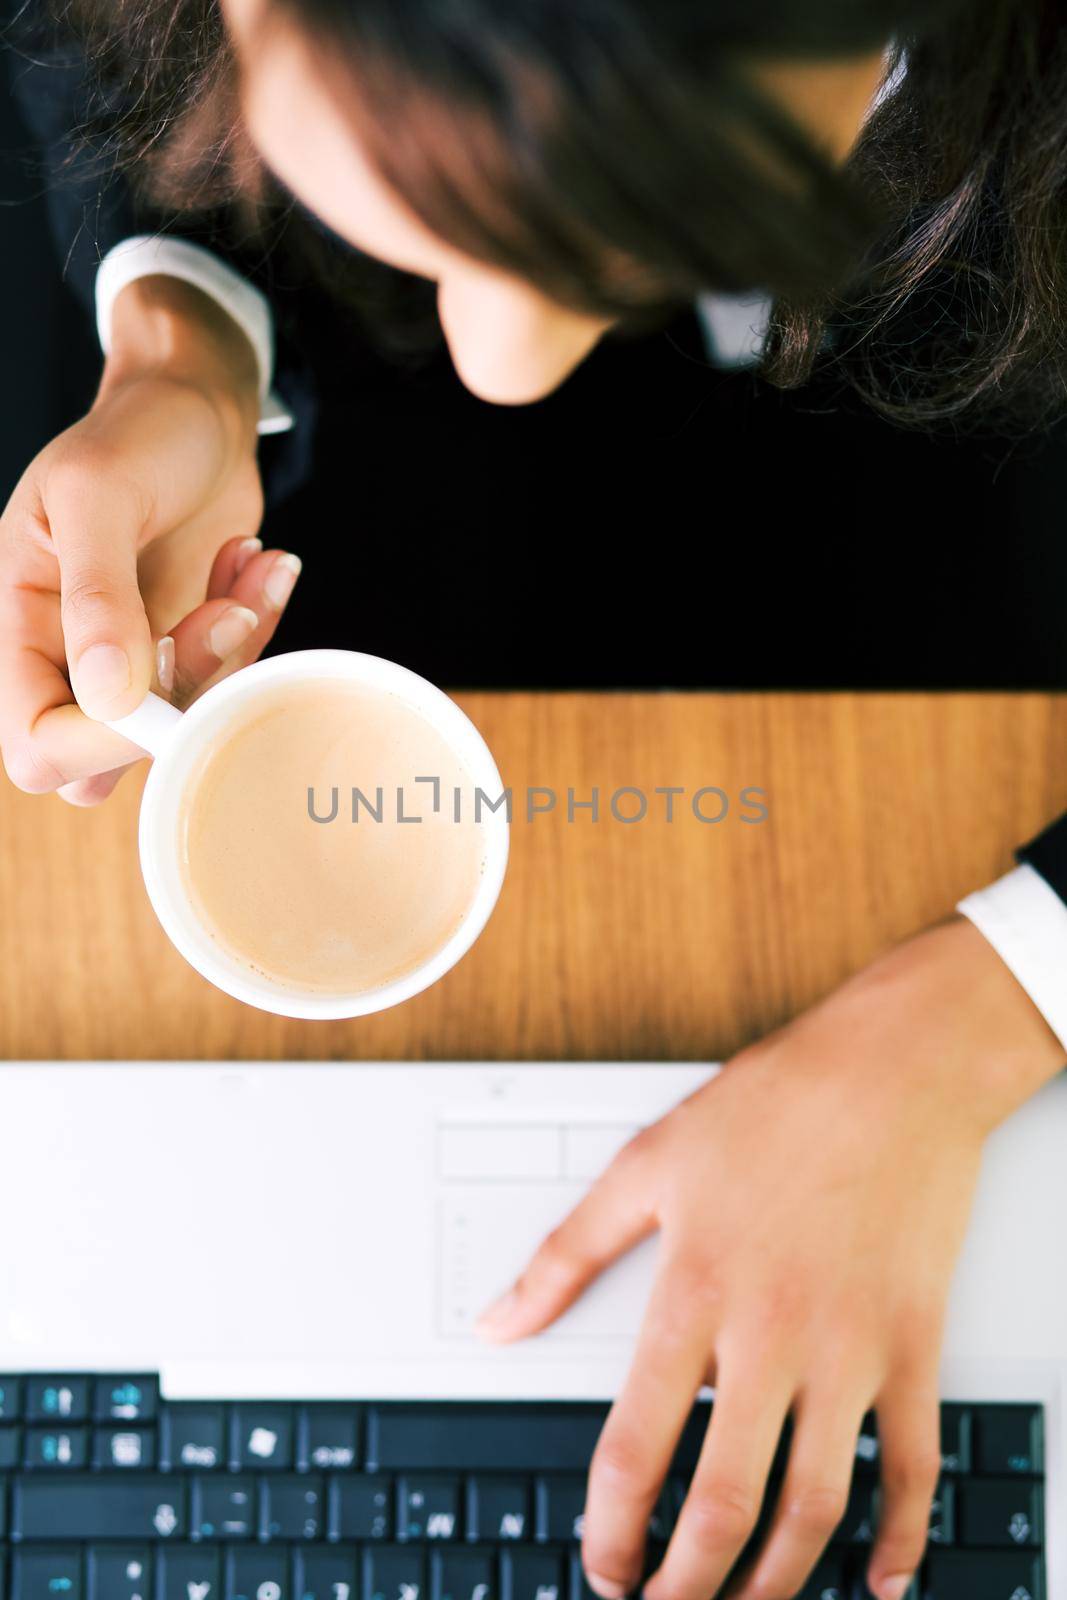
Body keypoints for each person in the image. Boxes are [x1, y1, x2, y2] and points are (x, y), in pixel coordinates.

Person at [2, 0, 1067, 1595]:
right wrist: (185, 342)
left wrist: (993, 1002)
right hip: (367, 446)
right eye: (430, 199)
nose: (509, 359)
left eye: (630, 216)